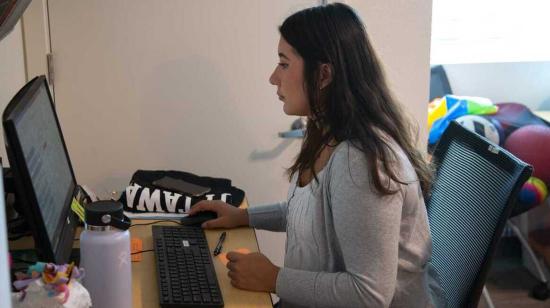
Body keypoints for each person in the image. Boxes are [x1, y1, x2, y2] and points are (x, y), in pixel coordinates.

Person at [189, 3, 444, 307]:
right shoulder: (325, 132)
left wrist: (272, 278)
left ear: (323, 75)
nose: (273, 77)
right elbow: (311, 216)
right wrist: (243, 216)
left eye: (284, 64)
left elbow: (369, 294)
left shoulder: (361, 160)